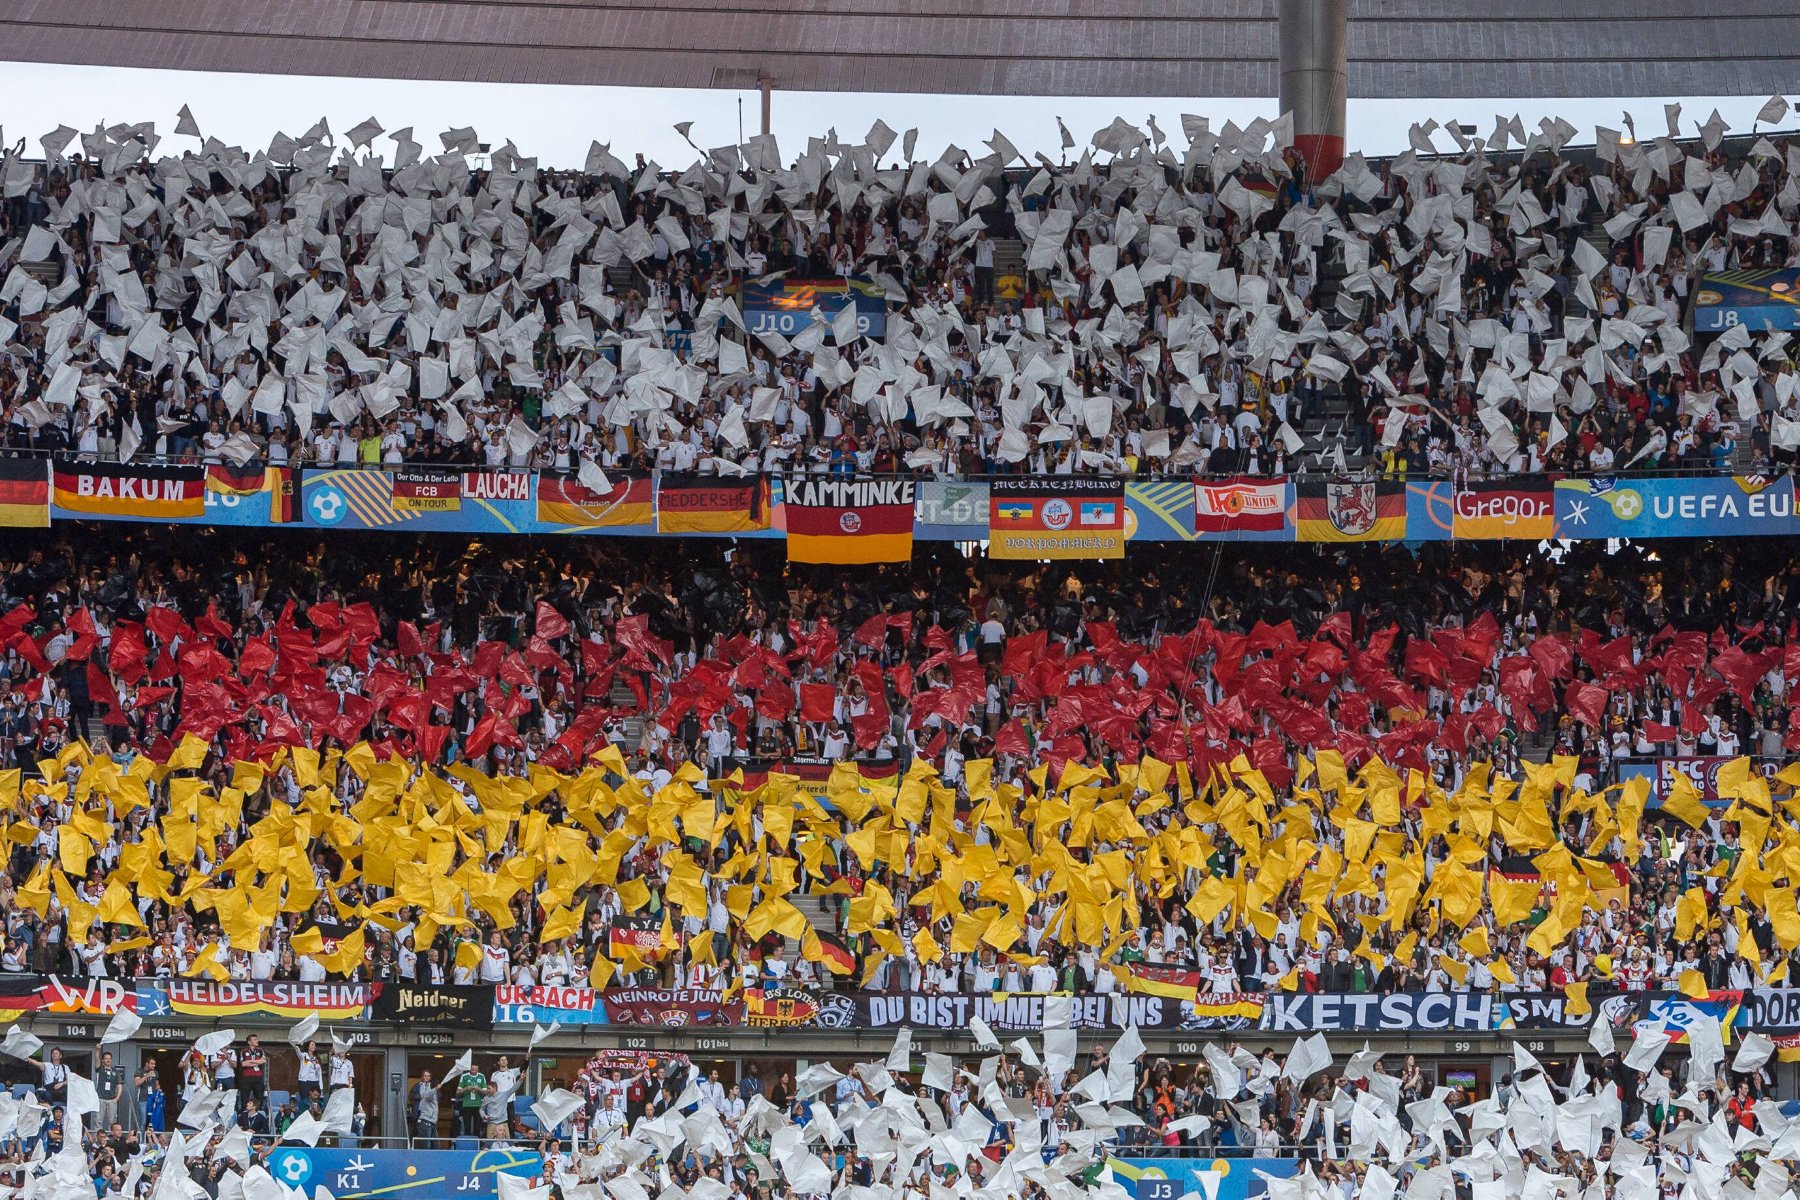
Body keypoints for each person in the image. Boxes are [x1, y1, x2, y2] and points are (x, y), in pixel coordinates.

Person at [458, 1060, 488, 1139]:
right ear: (469, 1069)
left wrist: (479, 1089)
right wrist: (467, 1088)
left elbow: (486, 1092)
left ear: (478, 1070)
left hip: (478, 1105)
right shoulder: (464, 1076)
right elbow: (458, 1092)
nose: (474, 1071)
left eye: (475, 1070)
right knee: (467, 1126)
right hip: (467, 1104)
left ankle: (476, 1144)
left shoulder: (481, 1076)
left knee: (477, 1127)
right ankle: (468, 1144)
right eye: (472, 1069)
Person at [411, 1069, 440, 1148]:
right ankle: (410, 1148)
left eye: (428, 1076)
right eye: (425, 1076)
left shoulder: (432, 1087)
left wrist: (435, 1090)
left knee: (435, 1146)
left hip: (431, 1119)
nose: (426, 1077)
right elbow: (412, 1096)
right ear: (422, 1077)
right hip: (420, 1115)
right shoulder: (417, 1086)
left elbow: (438, 1096)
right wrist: (421, 1096)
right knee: (421, 1141)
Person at [95, 1050, 123, 1131]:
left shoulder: (115, 1072)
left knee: (112, 1122)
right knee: (98, 1120)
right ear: (103, 1060)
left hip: (112, 1099)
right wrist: (97, 1050)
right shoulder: (100, 1069)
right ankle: (98, 1139)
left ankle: (111, 1139)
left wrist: (117, 1098)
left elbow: (119, 1085)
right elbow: (96, 1059)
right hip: (100, 1098)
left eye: (109, 1058)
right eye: (106, 1058)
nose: (108, 1060)